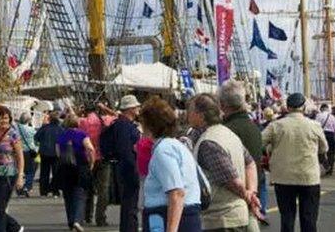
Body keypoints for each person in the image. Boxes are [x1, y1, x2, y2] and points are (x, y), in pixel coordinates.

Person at [187, 93, 260, 232]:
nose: (187, 115)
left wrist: (249, 196)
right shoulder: (228, 134)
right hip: (233, 216)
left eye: (191, 111)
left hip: (222, 218)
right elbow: (250, 164)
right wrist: (252, 192)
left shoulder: (209, 142)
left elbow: (232, 181)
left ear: (201, 116)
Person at [261, 93, 327, 232]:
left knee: (287, 217)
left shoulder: (276, 125)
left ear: (288, 107)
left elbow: (260, 142)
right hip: (308, 176)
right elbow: (324, 148)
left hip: (283, 177)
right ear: (303, 107)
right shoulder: (314, 125)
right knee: (309, 218)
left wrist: (270, 149)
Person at [138, 97, 202, 232]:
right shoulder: (176, 145)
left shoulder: (163, 150)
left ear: (148, 125)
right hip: (183, 215)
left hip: (165, 218)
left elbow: (176, 192)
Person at [220, 81, 268, 225]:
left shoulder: (225, 130)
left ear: (222, 105)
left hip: (235, 193)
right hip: (254, 186)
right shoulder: (254, 127)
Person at [99, 94, 141, 231]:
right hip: (127, 167)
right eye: (136, 106)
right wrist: (134, 167)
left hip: (124, 166)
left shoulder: (122, 123)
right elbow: (124, 149)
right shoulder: (124, 125)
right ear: (130, 109)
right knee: (130, 204)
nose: (138, 108)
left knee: (129, 203)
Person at [0, 106, 24, 232]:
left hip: (7, 175)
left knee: (0, 209)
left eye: (6, 118)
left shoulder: (13, 134)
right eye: (1, 118)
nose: (4, 121)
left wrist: (20, 176)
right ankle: (14, 227)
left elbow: (20, 157)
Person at [55, 115, 95, 231]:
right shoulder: (82, 134)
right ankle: (78, 220)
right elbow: (90, 149)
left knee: (68, 196)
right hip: (80, 167)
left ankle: (71, 221)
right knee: (80, 194)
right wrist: (91, 163)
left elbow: (57, 153)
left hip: (65, 168)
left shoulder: (61, 136)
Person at [77, 103, 115, 224]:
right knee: (103, 190)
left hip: (87, 159)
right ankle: (100, 218)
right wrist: (106, 108)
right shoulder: (104, 120)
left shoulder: (82, 122)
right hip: (103, 157)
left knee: (87, 188)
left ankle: (86, 216)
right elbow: (118, 116)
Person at [34, 110, 64, 197]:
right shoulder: (60, 129)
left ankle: (43, 190)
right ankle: (55, 190)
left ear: (50, 119)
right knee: (56, 172)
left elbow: (36, 137)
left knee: (44, 172)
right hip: (56, 153)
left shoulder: (44, 128)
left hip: (44, 152)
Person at [15, 113, 38, 197]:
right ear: (28, 120)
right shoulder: (31, 130)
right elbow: (36, 138)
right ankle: (27, 187)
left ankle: (18, 187)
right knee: (30, 170)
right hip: (29, 151)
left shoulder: (16, 128)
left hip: (18, 150)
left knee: (19, 169)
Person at [314, 104, 335, 176]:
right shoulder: (332, 116)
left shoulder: (318, 115)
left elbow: (316, 125)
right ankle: (330, 170)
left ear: (321, 109)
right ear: (327, 109)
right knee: (331, 153)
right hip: (330, 135)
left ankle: (326, 165)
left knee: (320, 152)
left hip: (321, 134)